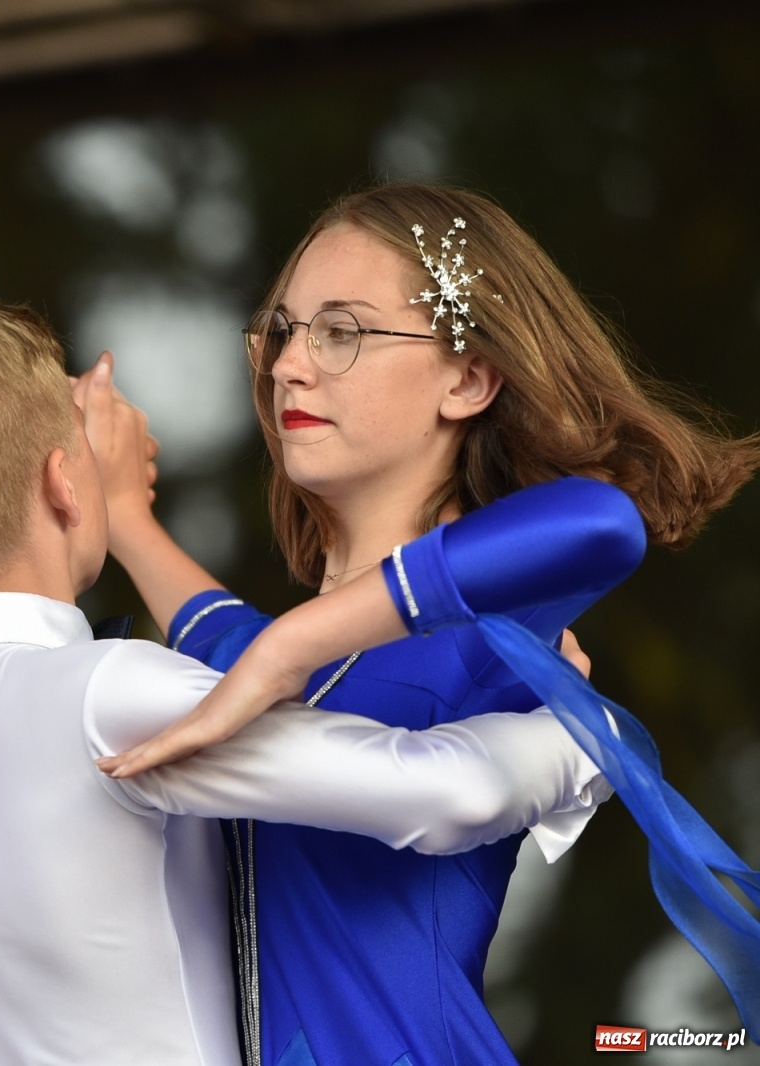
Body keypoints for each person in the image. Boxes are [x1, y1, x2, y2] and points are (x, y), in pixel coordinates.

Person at [0, 295, 616, 1065]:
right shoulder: (107, 697)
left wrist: (16, 455)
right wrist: (586, 732)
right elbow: (452, 795)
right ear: (60, 483)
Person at [86, 183, 760, 1063]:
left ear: (469, 378)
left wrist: (288, 648)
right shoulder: (278, 660)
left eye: (343, 331)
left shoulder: (498, 628)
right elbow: (222, 634)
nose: (290, 363)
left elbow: (602, 524)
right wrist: (126, 521)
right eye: (284, 329)